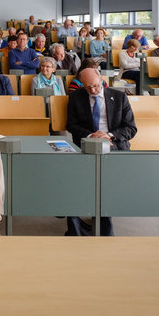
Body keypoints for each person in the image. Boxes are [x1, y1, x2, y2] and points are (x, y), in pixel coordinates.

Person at [66, 68, 137, 236]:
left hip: (113, 144)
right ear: (82, 85)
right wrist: (92, 135)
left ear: (101, 80)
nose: (93, 90)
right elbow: (71, 126)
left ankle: (103, 222)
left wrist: (109, 135)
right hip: (87, 143)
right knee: (76, 181)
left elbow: (131, 128)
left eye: (96, 86)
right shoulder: (76, 97)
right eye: (88, 87)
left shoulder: (119, 97)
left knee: (104, 181)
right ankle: (77, 225)